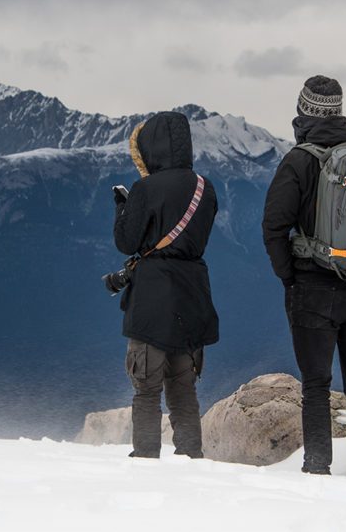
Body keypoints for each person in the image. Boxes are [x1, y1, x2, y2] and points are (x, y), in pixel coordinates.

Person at [261, 75, 346, 480]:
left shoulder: (299, 161)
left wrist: (290, 278)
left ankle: (317, 468)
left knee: (316, 386)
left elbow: (273, 226)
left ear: (304, 111)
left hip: (312, 286)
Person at [113, 111, 219, 459]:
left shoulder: (145, 189)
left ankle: (145, 459)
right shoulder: (206, 187)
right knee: (183, 388)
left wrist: (123, 209)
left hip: (152, 299)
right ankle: (191, 457)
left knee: (146, 389)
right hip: (192, 295)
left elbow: (127, 242)